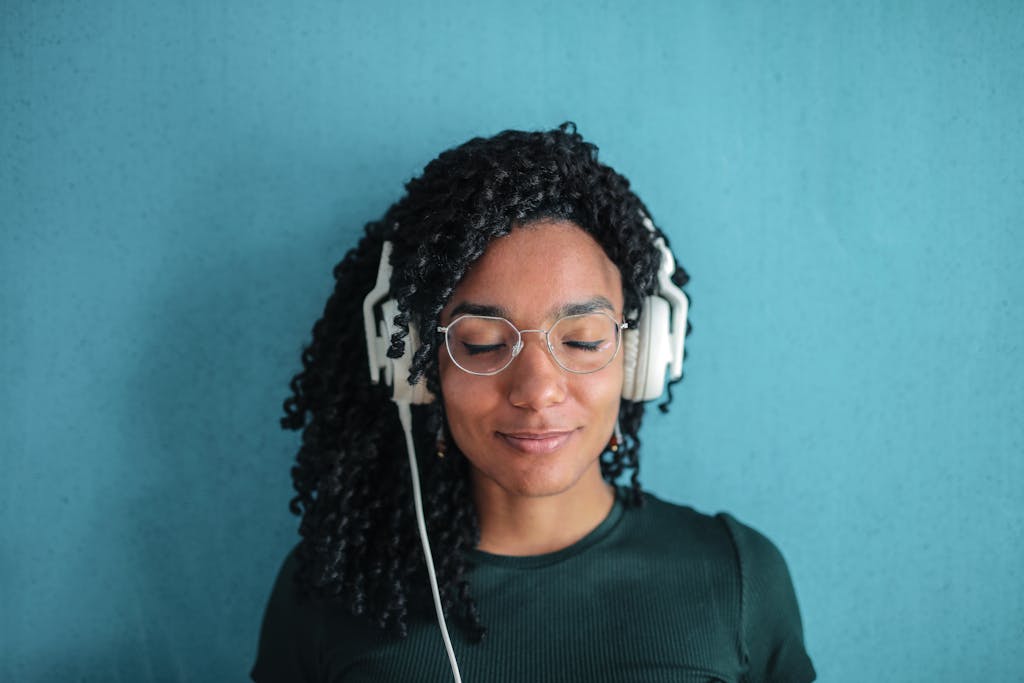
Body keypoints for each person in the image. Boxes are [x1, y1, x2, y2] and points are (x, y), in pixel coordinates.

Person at [252, 124, 816, 683]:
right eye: (483, 343)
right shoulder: (330, 587)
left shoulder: (737, 576)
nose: (538, 390)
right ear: (416, 364)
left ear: (639, 355)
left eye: (583, 339)